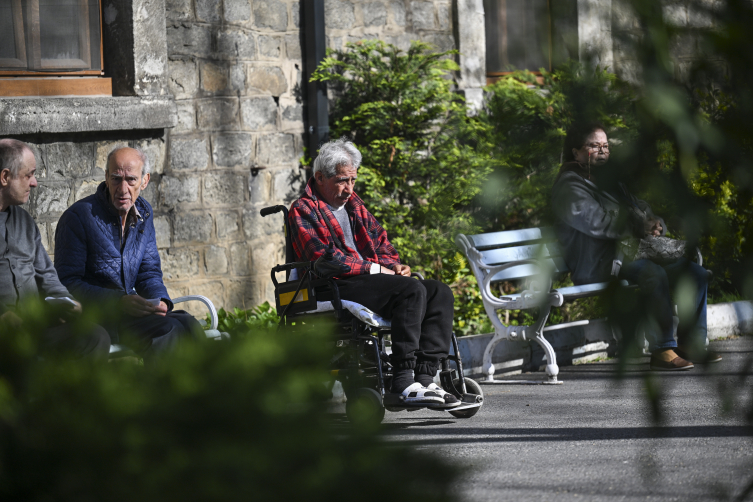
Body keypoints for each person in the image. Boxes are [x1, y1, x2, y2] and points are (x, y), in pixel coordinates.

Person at [289, 138, 459, 407]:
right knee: (411, 290)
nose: (349, 189)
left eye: (353, 180)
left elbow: (382, 243)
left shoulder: (355, 206)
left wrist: (394, 266)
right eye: (342, 181)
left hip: (370, 280)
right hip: (332, 283)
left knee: (439, 291)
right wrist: (374, 268)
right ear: (320, 178)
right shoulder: (303, 209)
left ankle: (425, 378)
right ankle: (403, 379)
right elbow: (323, 259)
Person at [551, 122, 720, 371]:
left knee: (695, 274)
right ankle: (662, 349)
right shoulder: (569, 186)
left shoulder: (610, 182)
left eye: (606, 146)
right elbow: (596, 223)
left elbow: (640, 208)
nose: (602, 151)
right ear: (575, 152)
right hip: (600, 262)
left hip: (632, 254)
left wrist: (655, 224)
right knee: (654, 274)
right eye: (594, 146)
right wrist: (638, 225)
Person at [54, 147, 201, 357]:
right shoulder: (78, 217)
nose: (123, 189)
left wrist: (159, 300)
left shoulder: (144, 213)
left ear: (145, 180)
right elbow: (67, 283)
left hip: (131, 315)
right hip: (97, 319)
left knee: (189, 324)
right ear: (106, 177)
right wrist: (118, 301)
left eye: (131, 180)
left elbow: (148, 272)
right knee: (169, 330)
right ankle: (160, 389)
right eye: (116, 179)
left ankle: (203, 389)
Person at [0, 139, 110, 359]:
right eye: (28, 175)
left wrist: (65, 302)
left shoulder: (24, 221)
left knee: (95, 336)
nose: (35, 183)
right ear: (5, 177)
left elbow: (46, 275)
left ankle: (67, 394)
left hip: (35, 327)